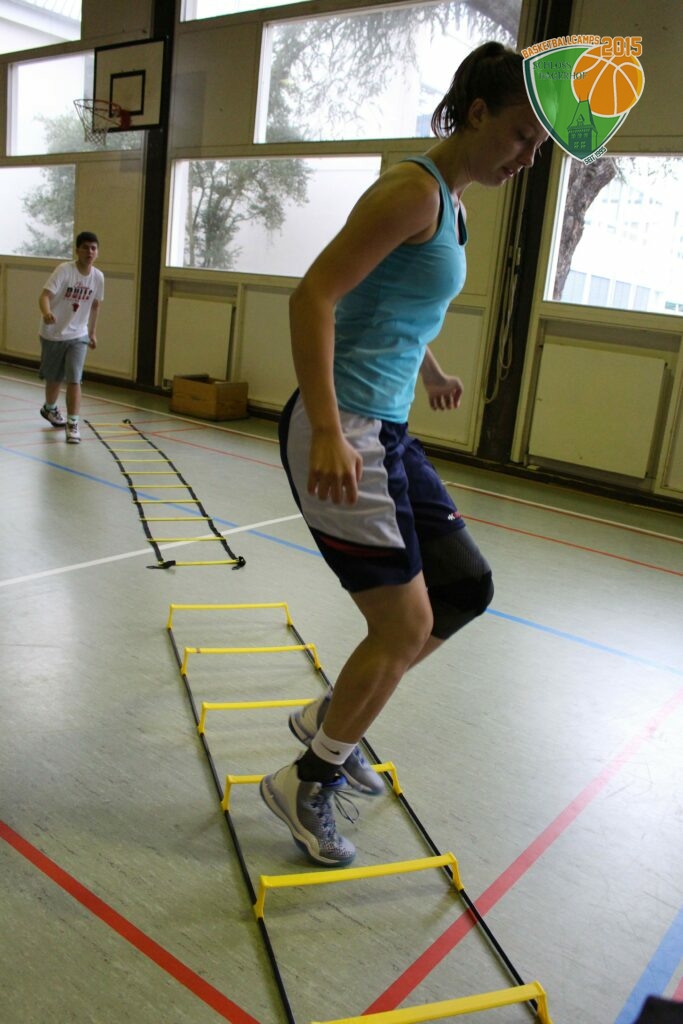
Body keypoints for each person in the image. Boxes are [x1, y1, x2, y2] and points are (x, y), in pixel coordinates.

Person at [260, 42, 549, 866]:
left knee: (464, 588)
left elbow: (393, 303)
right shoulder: (410, 191)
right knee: (405, 624)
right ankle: (307, 780)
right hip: (343, 428)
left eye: (537, 148)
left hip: (386, 428)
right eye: (521, 137)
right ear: (477, 112)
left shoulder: (453, 208)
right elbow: (314, 295)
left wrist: (431, 371)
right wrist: (325, 427)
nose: (527, 159)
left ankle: (330, 722)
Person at [38, 231, 104, 444]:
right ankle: (49, 408)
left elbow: (95, 306)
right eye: (85, 247)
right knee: (54, 377)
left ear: (97, 252)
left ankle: (73, 423)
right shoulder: (64, 270)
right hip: (53, 333)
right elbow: (44, 296)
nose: (89, 252)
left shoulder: (98, 277)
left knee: (75, 378)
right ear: (77, 250)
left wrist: (92, 332)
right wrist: (47, 313)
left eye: (93, 248)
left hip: (78, 335)